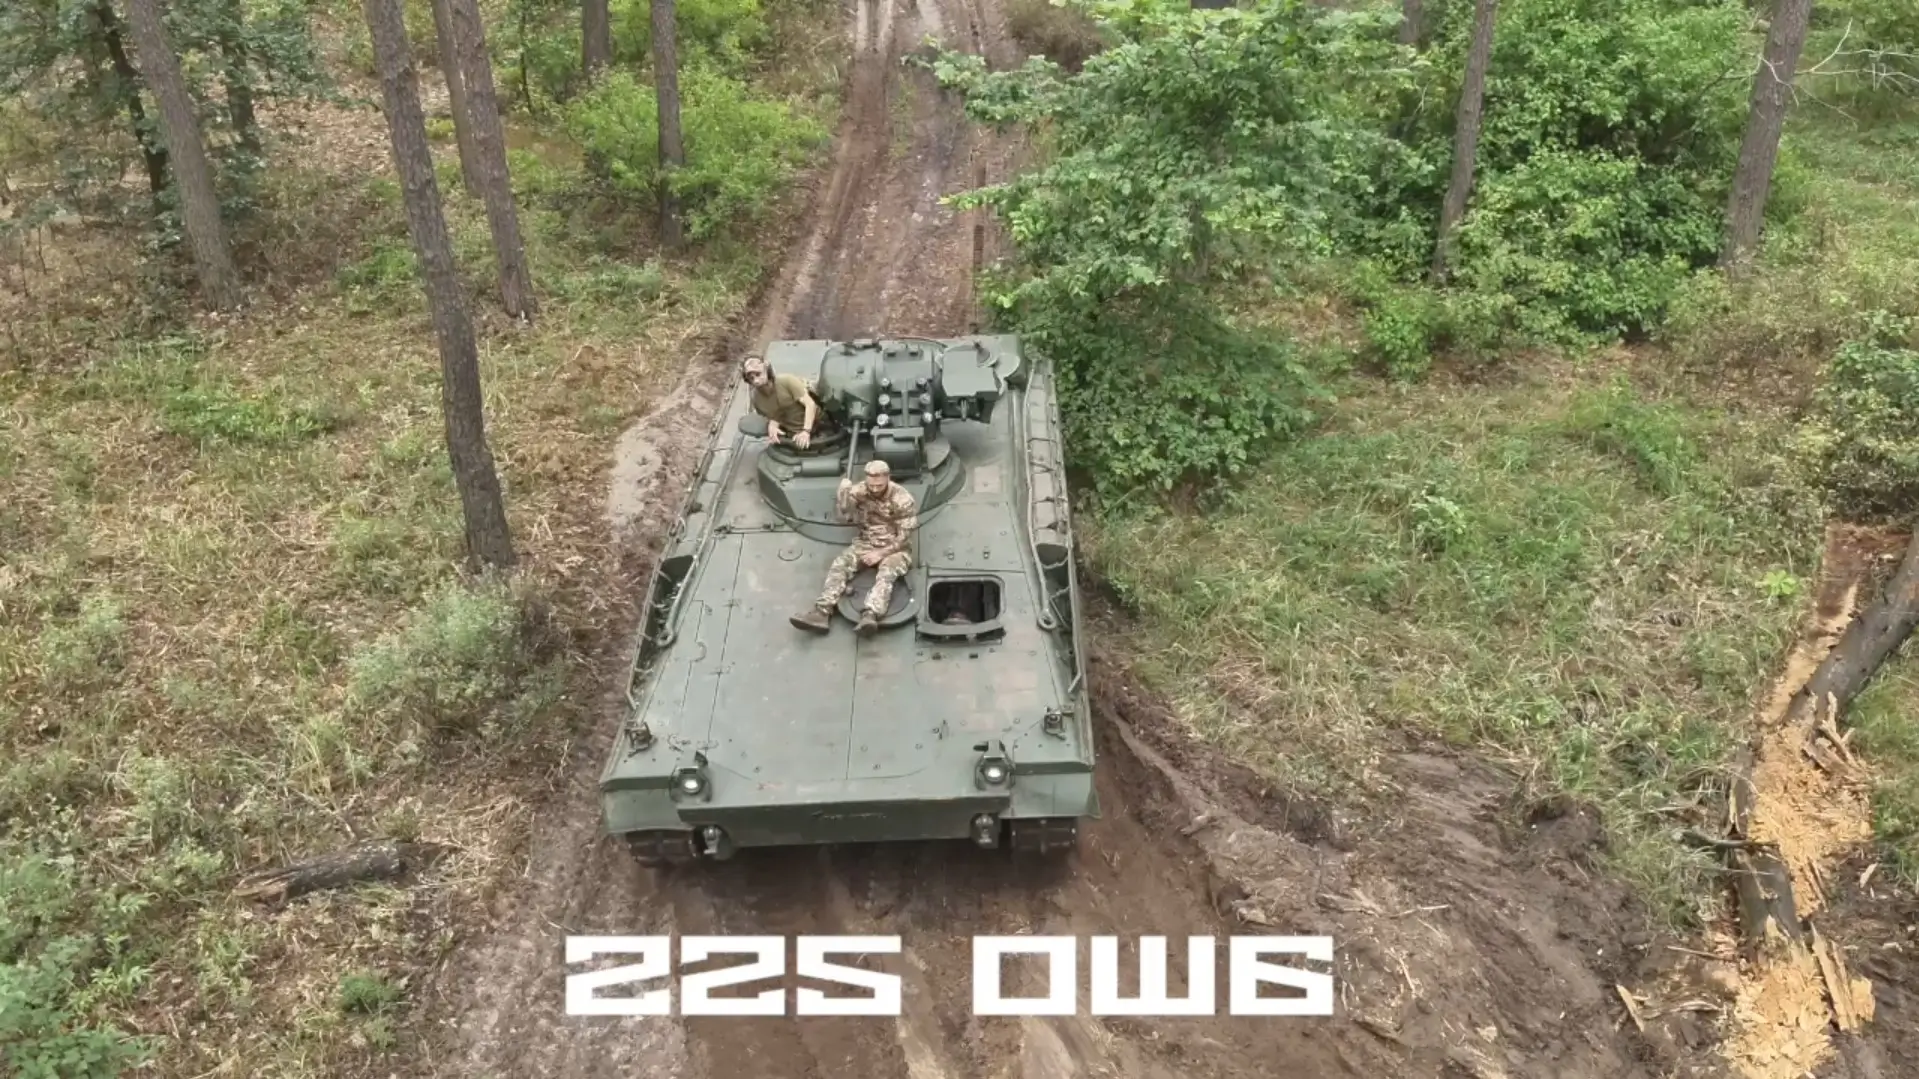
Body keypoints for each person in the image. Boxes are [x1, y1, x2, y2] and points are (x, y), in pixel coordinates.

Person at [790, 459, 919, 636]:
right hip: (866, 542)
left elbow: (904, 538)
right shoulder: (860, 491)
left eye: (879, 485)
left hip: (895, 548)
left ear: (888, 478)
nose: (874, 489)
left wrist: (879, 554)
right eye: (871, 484)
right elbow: (845, 517)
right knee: (840, 564)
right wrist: (843, 498)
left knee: (887, 571)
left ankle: (870, 615)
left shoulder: (902, 499)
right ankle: (821, 612)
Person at [740, 355, 820, 449]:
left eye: (758, 374)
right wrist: (773, 424)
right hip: (792, 434)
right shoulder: (756, 398)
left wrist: (806, 431)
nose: (756, 381)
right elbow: (773, 414)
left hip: (817, 424)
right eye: (751, 378)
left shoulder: (787, 381)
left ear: (767, 370)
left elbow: (810, 404)